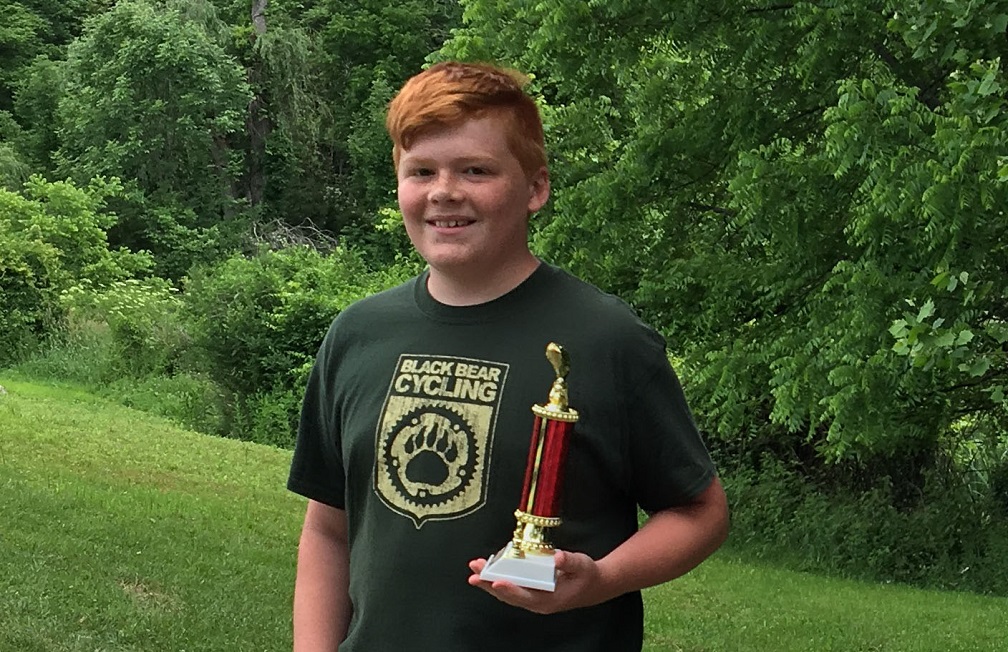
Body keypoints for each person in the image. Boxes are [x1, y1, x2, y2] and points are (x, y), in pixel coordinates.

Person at [287, 61, 729, 652]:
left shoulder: (607, 338)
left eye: (476, 170)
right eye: (421, 171)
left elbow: (701, 512)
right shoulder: (359, 334)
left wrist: (602, 580)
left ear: (535, 188)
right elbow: (327, 529)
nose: (444, 191)